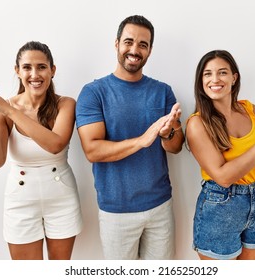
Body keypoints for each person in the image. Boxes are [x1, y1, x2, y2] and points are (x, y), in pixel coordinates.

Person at [76, 15, 184, 260]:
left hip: (160, 207)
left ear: (150, 50)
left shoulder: (163, 91)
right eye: (129, 42)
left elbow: (176, 147)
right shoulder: (94, 93)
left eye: (143, 44)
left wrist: (168, 133)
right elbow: (92, 151)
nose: (135, 50)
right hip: (117, 212)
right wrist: (142, 140)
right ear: (116, 44)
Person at [0, 41, 83, 260]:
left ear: (52, 70)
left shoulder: (65, 104)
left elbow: (55, 144)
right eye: (27, 67)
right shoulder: (6, 108)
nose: (34, 74)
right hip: (20, 200)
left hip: (62, 198)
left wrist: (8, 110)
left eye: (41, 67)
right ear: (17, 71)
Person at [186, 50, 255, 260]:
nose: (215, 79)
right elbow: (224, 177)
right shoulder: (197, 123)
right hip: (219, 208)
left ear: (234, 78)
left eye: (222, 72)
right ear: (201, 81)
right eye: (207, 74)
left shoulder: (250, 109)